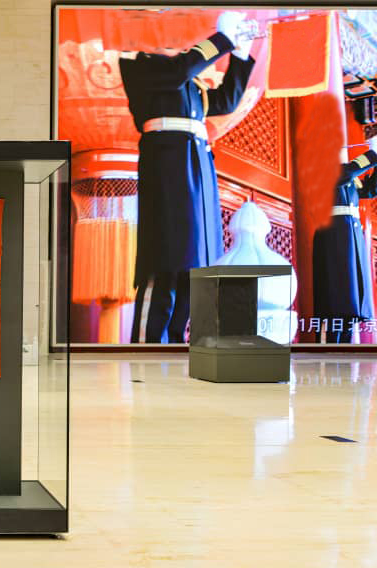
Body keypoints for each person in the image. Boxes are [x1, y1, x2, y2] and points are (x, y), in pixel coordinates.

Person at [119, 11, 255, 343]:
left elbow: (225, 101)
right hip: (167, 164)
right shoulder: (140, 62)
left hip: (197, 166)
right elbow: (177, 71)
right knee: (166, 260)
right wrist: (222, 40)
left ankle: (177, 344)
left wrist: (239, 55)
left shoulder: (190, 80)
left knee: (195, 266)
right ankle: (148, 350)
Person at [313, 134, 377, 343]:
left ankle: (345, 344)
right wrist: (373, 155)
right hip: (335, 236)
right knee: (336, 297)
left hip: (350, 236)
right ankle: (331, 347)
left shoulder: (348, 174)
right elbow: (344, 173)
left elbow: (371, 189)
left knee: (351, 299)